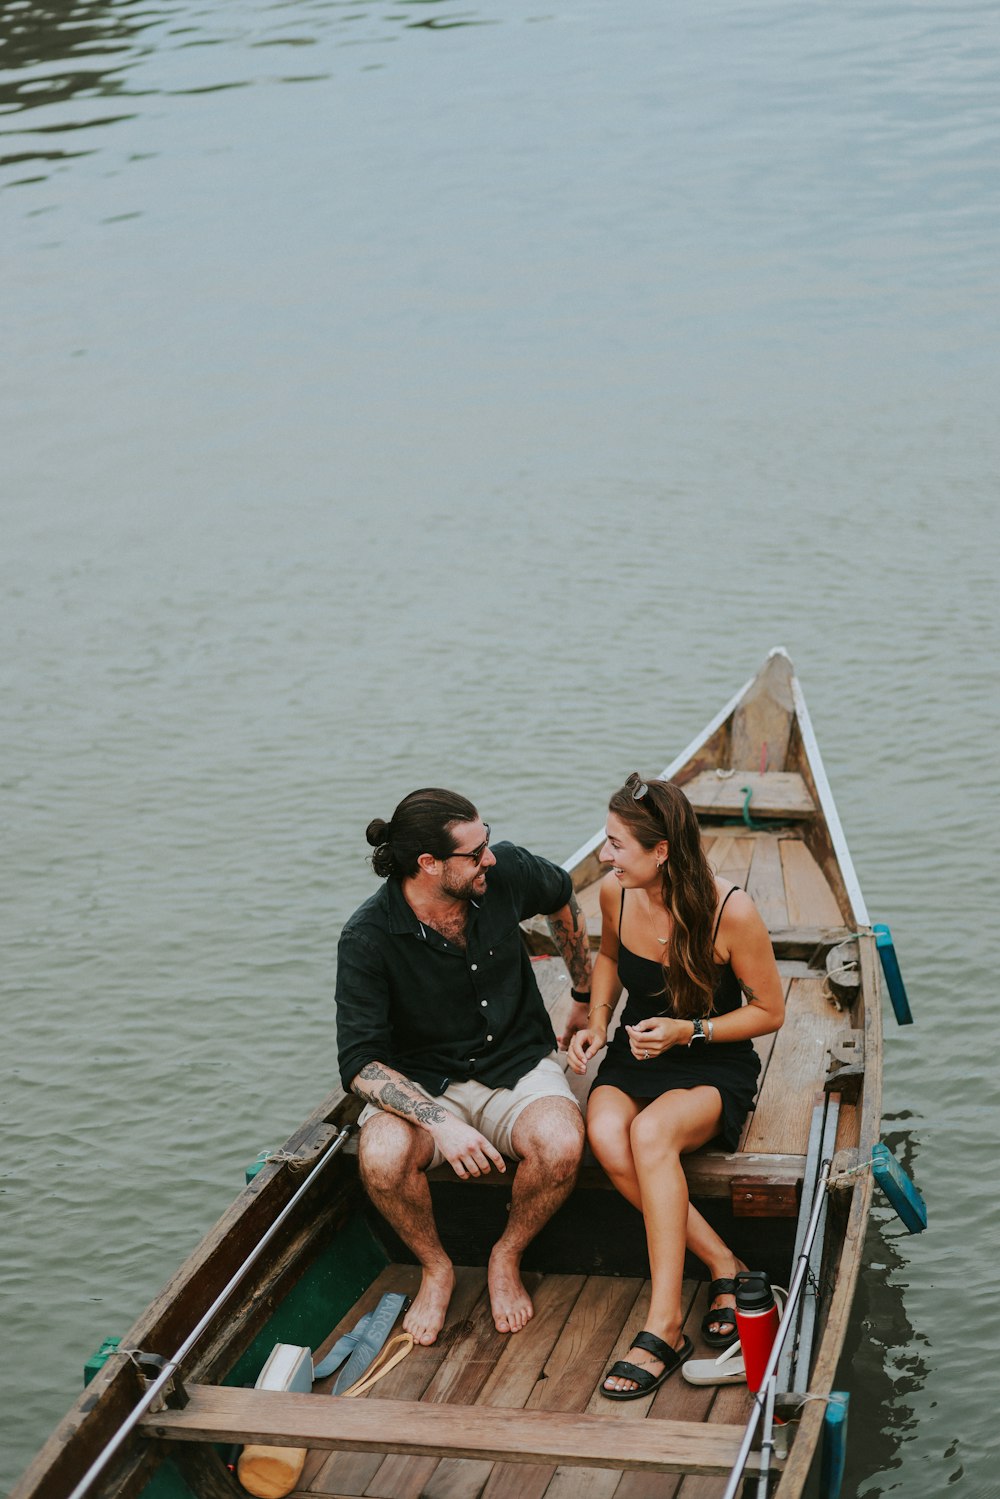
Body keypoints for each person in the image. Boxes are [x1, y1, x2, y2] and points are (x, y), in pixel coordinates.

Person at [336, 787, 590, 1347]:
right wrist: (438, 1122)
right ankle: (436, 1267)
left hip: (519, 1065)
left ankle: (507, 1254)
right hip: (425, 1084)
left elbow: (563, 896)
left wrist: (584, 991)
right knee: (380, 1157)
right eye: (475, 854)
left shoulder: (507, 874)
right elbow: (358, 1062)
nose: (490, 860)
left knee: (562, 1144)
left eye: (488, 843)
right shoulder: (367, 938)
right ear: (428, 865)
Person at [567, 773, 785, 1399]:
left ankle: (663, 1325)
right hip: (637, 1051)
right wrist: (600, 1021)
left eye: (615, 845)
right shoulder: (615, 893)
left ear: (660, 850)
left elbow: (769, 1012)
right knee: (607, 1134)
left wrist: (688, 1030)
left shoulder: (729, 910)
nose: (604, 857)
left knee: (651, 1131)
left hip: (711, 1059)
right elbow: (607, 959)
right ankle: (725, 1264)